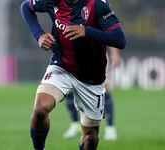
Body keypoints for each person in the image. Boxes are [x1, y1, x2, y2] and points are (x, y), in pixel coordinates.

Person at [20, 0, 126, 149]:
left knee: (90, 137)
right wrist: (39, 35)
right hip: (62, 66)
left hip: (91, 77)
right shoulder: (51, 1)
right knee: (40, 109)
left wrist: (86, 31)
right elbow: (26, 7)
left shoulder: (97, 4)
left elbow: (120, 39)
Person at [63, 47, 120, 140]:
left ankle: (110, 128)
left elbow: (110, 32)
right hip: (74, 54)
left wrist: (114, 53)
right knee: (70, 88)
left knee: (104, 89)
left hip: (97, 54)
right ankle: (75, 124)